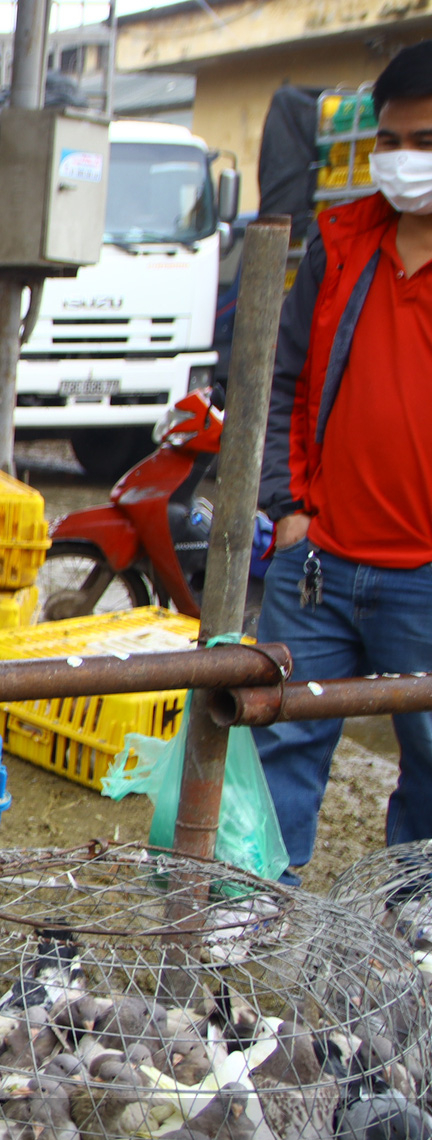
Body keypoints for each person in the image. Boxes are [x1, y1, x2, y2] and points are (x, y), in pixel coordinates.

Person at [255, 40, 432, 879]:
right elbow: (282, 379)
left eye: (425, 142)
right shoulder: (341, 244)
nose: (403, 162)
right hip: (318, 564)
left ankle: (417, 930)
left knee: (430, 757)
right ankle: (249, 924)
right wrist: (288, 507)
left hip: (424, 575)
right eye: (390, 143)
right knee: (281, 739)